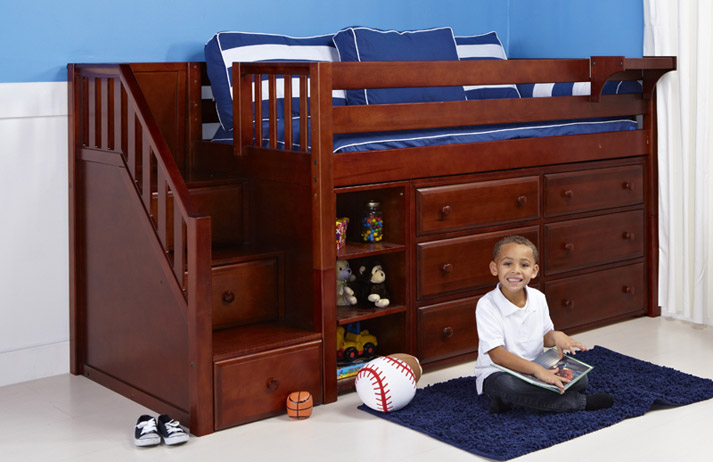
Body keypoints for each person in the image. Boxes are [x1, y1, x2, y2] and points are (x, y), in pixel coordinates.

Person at [474, 235, 614, 413]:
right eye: (508, 264)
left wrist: (556, 337)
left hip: (538, 365)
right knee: (508, 386)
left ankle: (508, 402)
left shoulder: (538, 298)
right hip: (500, 372)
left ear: (534, 270)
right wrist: (536, 371)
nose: (516, 271)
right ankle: (578, 403)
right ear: (495, 268)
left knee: (581, 381)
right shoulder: (487, 304)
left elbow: (545, 336)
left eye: (524, 265)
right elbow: (497, 355)